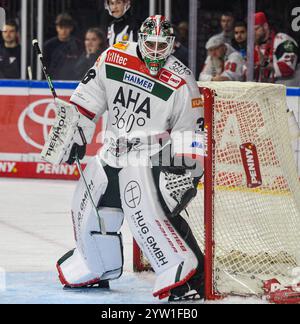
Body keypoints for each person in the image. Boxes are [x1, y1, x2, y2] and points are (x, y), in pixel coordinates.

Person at [50, 15, 205, 302]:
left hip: (150, 158)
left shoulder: (182, 80)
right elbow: (87, 99)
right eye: (151, 43)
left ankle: (186, 280)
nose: (157, 51)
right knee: (89, 211)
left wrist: (187, 177)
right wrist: (76, 135)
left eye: (163, 45)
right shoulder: (114, 56)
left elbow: (190, 134)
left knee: (152, 219)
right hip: (112, 151)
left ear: (172, 44)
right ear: (140, 39)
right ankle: (96, 266)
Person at [254, 12, 299, 84]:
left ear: (265, 26)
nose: (253, 33)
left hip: (286, 91)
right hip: (264, 92)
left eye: (256, 29)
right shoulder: (254, 46)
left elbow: (287, 68)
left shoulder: (284, 40)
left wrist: (265, 64)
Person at [43, 13, 82, 80]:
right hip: (53, 82)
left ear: (71, 28)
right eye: (61, 27)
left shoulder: (78, 45)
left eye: (66, 27)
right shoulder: (48, 45)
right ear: (57, 28)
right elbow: (44, 67)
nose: (64, 30)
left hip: (73, 82)